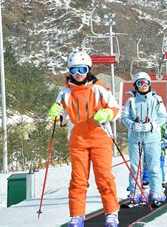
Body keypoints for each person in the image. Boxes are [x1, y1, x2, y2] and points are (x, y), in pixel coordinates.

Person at [49, 51, 120, 227]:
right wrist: (55, 114)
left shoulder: (99, 88)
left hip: (100, 139)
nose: (78, 74)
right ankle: (77, 216)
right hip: (78, 142)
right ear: (69, 71)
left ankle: (111, 212)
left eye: (82, 69)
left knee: (104, 178)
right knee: (78, 180)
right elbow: (61, 118)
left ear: (88, 69)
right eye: (74, 70)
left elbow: (116, 108)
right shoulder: (64, 93)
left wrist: (107, 113)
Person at [121, 72, 167, 207]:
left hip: (152, 137)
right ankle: (135, 192)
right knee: (135, 166)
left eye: (145, 83)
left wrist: (152, 125)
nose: (143, 86)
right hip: (135, 138)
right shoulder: (131, 101)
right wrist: (132, 125)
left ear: (149, 84)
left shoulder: (156, 99)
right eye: (140, 83)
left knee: (154, 166)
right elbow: (124, 117)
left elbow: (163, 116)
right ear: (135, 86)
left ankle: (157, 192)